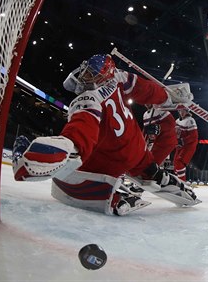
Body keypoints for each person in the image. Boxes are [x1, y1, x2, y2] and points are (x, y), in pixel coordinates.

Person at [12, 54, 196, 216]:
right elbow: (146, 90)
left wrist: (70, 143)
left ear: (103, 75)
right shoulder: (118, 77)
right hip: (137, 151)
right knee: (149, 168)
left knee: (76, 167)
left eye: (91, 74)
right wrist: (168, 96)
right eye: (86, 72)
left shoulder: (88, 98)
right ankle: (158, 176)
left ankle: (114, 197)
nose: (85, 77)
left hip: (111, 158)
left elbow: (84, 128)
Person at [174, 108, 198, 181]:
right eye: (180, 111)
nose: (181, 112)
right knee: (175, 165)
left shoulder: (190, 120)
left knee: (179, 163)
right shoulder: (177, 121)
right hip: (180, 146)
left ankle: (182, 183)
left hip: (189, 145)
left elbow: (194, 136)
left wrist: (182, 141)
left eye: (183, 110)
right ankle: (177, 181)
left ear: (187, 111)